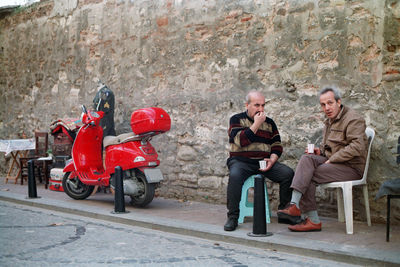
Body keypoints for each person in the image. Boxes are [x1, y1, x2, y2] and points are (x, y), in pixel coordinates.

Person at [277, 85, 368, 232]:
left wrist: (333, 159)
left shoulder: (353, 119)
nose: (327, 108)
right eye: (323, 104)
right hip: (334, 164)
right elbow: (331, 148)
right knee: (307, 158)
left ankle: (312, 220)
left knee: (309, 174)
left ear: (339, 102)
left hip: (352, 167)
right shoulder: (329, 121)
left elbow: (357, 147)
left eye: (330, 103)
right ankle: (294, 204)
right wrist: (320, 152)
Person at [224, 90, 294, 231]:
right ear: (247, 105)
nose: (261, 109)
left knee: (288, 173)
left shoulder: (269, 123)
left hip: (263, 161)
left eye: (263, 105)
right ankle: (233, 217)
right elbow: (240, 141)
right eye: (257, 105)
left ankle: (284, 212)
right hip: (240, 161)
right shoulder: (236, 119)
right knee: (235, 175)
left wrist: (272, 160)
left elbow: (277, 145)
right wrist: (256, 124)